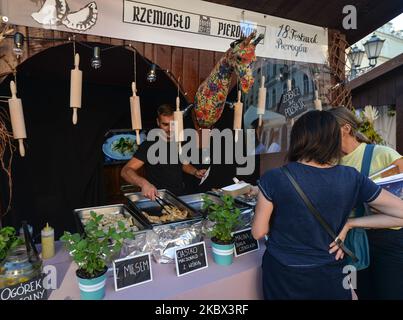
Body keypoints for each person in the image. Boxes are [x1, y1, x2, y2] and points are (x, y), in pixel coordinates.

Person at [252, 110, 403, 300]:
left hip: (284, 273)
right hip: (330, 272)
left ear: (298, 139)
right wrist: (350, 223)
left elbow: (258, 232)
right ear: (332, 139)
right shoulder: (351, 177)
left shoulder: (274, 177)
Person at [329, 106, 403, 299]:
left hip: (388, 241)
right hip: (352, 243)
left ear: (346, 128)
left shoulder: (383, 154)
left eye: (328, 129)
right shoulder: (330, 164)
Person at [121, 104, 206, 200]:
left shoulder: (178, 141)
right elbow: (126, 171)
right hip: (158, 198)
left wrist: (195, 171)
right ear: (158, 122)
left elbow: (183, 164)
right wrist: (144, 183)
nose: (169, 129)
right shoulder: (149, 144)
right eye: (165, 124)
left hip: (180, 197)